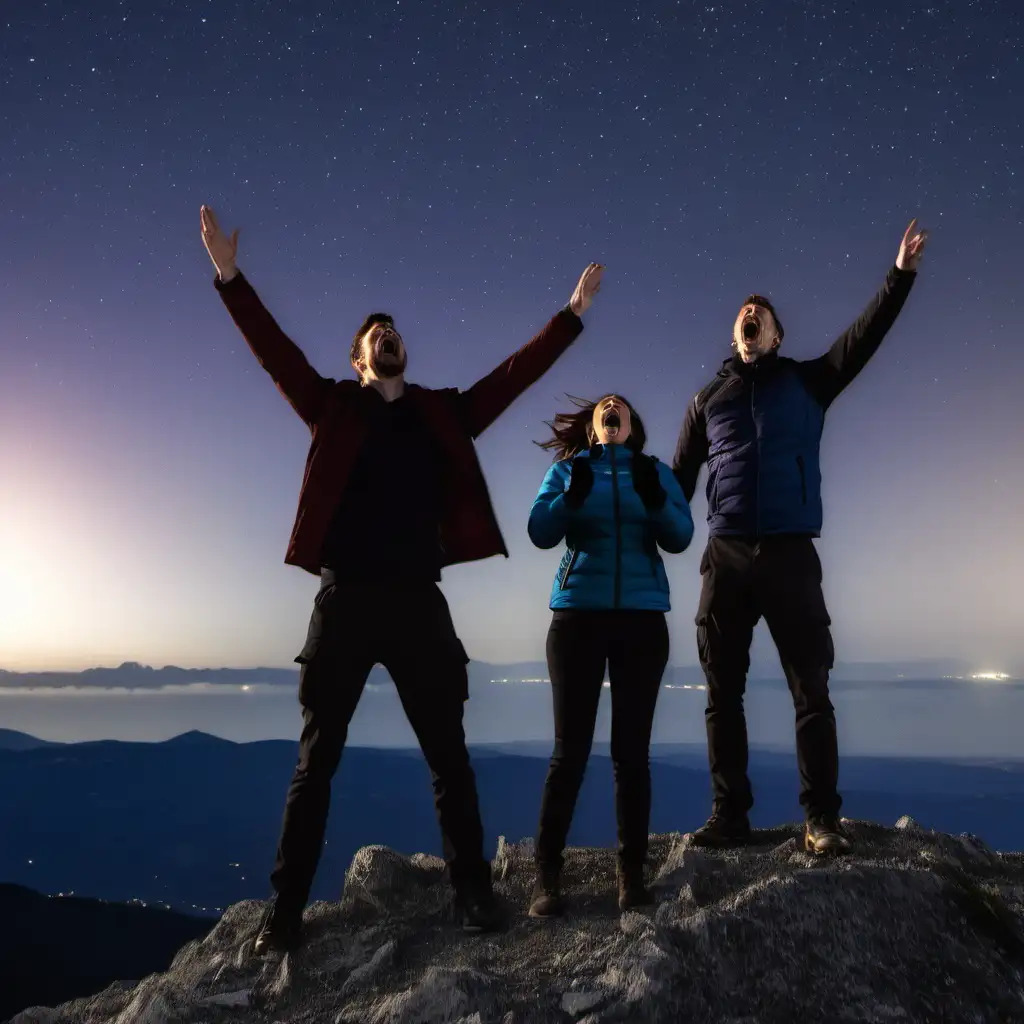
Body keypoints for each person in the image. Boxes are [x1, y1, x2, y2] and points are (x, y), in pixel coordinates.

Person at [199, 204, 605, 952]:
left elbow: (511, 379)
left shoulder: (441, 413)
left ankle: (473, 894)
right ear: (359, 358)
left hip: (419, 602)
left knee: (449, 754)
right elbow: (273, 351)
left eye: (394, 329)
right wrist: (229, 275)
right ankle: (284, 912)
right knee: (316, 760)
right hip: (345, 599)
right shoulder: (330, 406)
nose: (388, 333)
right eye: (373, 332)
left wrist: (571, 315)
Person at [672, 219, 929, 855]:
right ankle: (729, 816)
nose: (750, 315)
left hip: (790, 551)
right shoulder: (707, 400)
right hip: (726, 554)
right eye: (742, 313)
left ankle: (821, 820)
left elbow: (862, 340)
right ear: (735, 335)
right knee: (721, 692)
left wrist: (897, 277)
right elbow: (674, 486)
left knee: (811, 689)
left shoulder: (808, 381)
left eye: (760, 313)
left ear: (777, 335)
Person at [526, 394, 694, 917]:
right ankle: (547, 880)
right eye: (605, 405)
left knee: (631, 754)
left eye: (621, 405)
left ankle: (632, 877)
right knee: (569, 752)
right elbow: (540, 532)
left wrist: (655, 499)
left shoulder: (654, 473)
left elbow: (682, 536)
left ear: (631, 426)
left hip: (642, 621)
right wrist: (569, 498)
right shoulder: (568, 470)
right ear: (597, 427)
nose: (613, 407)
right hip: (577, 619)